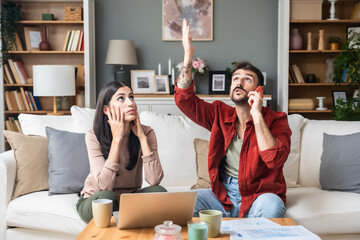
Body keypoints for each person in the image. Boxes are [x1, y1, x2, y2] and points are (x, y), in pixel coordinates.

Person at [175, 19, 292, 218]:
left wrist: (256, 115)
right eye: (236, 79)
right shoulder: (219, 113)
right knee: (186, 202)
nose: (239, 82)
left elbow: (274, 160)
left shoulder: (276, 120)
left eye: (247, 79)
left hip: (260, 195)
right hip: (223, 197)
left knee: (273, 206)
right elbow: (184, 101)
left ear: (259, 90)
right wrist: (188, 56)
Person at [77, 81, 166, 223]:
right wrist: (117, 139)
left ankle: (126, 218)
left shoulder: (147, 133)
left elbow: (154, 180)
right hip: (97, 199)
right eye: (121, 98)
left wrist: (142, 138)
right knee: (107, 197)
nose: (130, 103)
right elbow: (104, 186)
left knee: (159, 192)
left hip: (129, 200)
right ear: (106, 109)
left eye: (131, 97)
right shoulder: (94, 135)